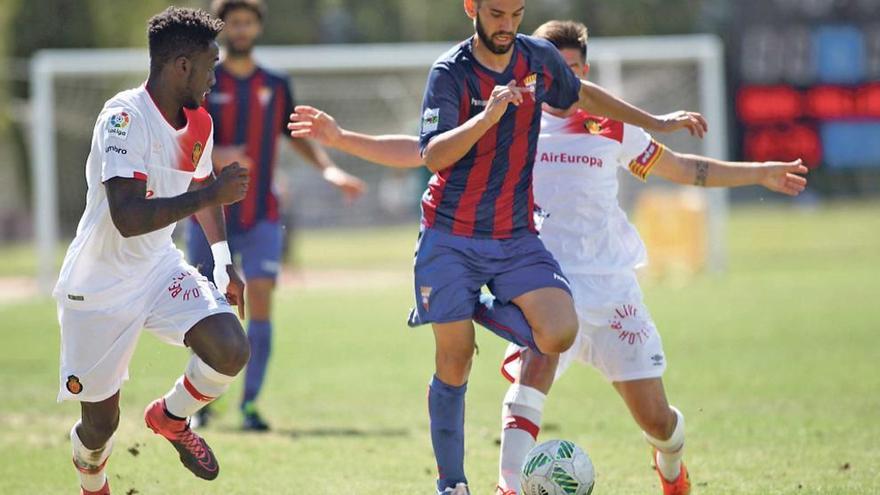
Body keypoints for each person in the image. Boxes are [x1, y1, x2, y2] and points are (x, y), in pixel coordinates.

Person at [290, 17, 807, 493]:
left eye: (577, 71)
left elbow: (683, 169)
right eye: (563, 70)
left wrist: (757, 172)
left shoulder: (611, 130)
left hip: (611, 288)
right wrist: (343, 140)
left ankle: (670, 463)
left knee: (657, 421)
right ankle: (508, 486)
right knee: (533, 367)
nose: (569, 82)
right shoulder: (518, 120)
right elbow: (424, 147)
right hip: (540, 278)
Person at [54, 7, 251, 494]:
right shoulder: (123, 118)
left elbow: (203, 184)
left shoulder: (199, 124)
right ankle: (93, 483)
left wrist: (225, 263)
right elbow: (127, 217)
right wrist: (211, 194)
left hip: (158, 268)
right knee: (100, 427)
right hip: (97, 287)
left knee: (230, 348)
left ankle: (170, 417)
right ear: (181, 66)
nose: (213, 78)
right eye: (209, 66)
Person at [187, 0, 366, 431]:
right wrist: (217, 153)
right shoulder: (202, 80)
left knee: (262, 297)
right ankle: (200, 402)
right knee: (207, 308)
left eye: (248, 22)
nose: (242, 29)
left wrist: (330, 170)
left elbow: (295, 135)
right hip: (209, 212)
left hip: (263, 212)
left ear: (258, 28)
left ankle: (250, 404)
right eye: (234, 22)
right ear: (222, 28)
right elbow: (183, 137)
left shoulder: (276, 83)